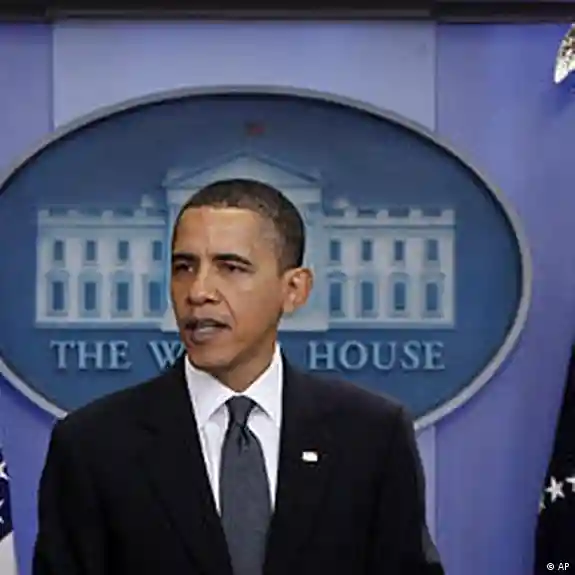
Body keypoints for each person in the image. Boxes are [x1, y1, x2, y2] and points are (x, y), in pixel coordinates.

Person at [32, 178, 444, 575]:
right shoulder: (92, 445)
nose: (198, 291)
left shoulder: (372, 436)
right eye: (184, 267)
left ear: (294, 289)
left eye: (230, 267)